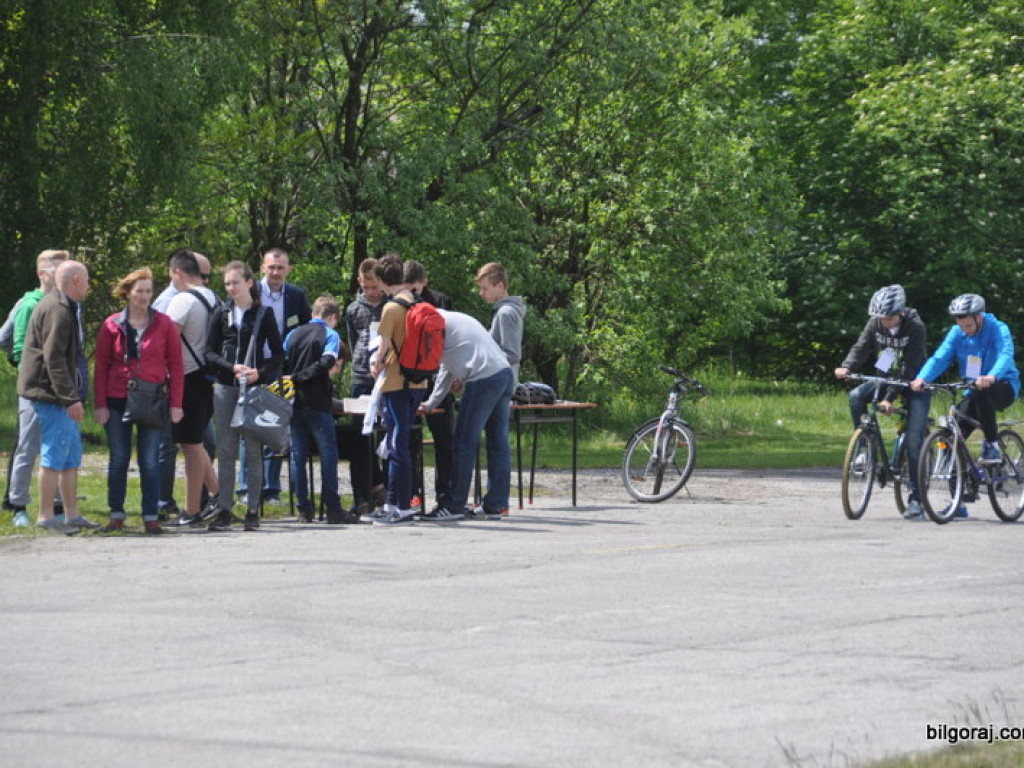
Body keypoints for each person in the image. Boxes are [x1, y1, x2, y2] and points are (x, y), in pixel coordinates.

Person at [911, 293, 1021, 519]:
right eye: (960, 325)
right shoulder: (957, 333)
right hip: (974, 388)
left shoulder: (998, 328)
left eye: (968, 324)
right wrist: (922, 379)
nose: (964, 329)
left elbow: (1006, 354)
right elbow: (940, 357)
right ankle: (958, 502)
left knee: (982, 390)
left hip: (1002, 385)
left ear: (979, 317)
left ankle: (991, 444)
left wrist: (991, 376)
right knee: (952, 437)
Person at [93, 268, 185, 534]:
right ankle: (116, 513)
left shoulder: (164, 323)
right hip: (117, 397)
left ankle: (150, 515)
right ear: (128, 293)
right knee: (119, 458)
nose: (144, 296)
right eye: (139, 291)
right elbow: (101, 367)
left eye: (148, 291)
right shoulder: (112, 325)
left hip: (153, 399)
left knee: (149, 459)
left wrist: (176, 404)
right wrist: (100, 405)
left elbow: (176, 366)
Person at [835, 285, 931, 519]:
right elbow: (862, 346)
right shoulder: (876, 323)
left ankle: (916, 500)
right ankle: (865, 447)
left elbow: (908, 368)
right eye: (881, 318)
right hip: (886, 376)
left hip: (914, 383)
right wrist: (847, 366)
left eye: (889, 318)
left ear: (901, 312)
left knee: (913, 441)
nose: (884, 322)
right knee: (856, 396)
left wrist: (888, 399)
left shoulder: (915, 327)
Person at [16, 260, 96, 533]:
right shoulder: (58, 310)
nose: (88, 285)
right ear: (75, 280)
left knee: (70, 455)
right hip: (50, 396)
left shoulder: (62, 305)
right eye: (86, 280)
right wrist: (70, 398)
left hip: (58, 395)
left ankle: (72, 514)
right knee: (54, 454)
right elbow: (54, 359)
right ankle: (46, 515)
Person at [206, 260, 284, 532]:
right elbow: (209, 353)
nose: (231, 288)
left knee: (252, 451)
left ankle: (253, 510)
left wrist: (258, 375)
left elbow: (277, 356)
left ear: (249, 283)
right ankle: (225, 509)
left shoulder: (263, 314)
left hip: (253, 390)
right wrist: (231, 367)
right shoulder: (221, 313)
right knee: (226, 450)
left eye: (235, 283)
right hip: (226, 388)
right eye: (227, 284)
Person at [421, 310, 515, 522]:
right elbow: (450, 362)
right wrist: (433, 401)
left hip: (483, 379)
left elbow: (442, 366)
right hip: (504, 373)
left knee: (463, 442)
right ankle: (496, 504)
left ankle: (454, 504)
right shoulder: (457, 319)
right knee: (498, 443)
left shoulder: (433, 323)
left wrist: (430, 403)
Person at [239, 247, 312, 506]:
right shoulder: (250, 293)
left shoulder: (297, 296)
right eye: (271, 267)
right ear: (262, 268)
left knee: (274, 425)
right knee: (249, 425)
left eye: (281, 268)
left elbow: (306, 331)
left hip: (281, 368)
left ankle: (270, 489)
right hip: (251, 367)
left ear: (289, 270)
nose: (276, 272)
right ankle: (246, 488)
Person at [3, 249, 69, 527]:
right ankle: (18, 505)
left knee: (55, 447)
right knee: (27, 448)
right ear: (43, 274)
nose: (64, 275)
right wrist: (29, 375)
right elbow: (17, 345)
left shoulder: (67, 302)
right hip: (34, 389)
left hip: (60, 389)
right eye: (58, 271)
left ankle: (55, 504)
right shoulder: (30, 304)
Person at [153, 253, 216, 520]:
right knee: (196, 443)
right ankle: (217, 495)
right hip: (208, 378)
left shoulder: (181, 301)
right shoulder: (214, 297)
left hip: (186, 378)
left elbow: (165, 342)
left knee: (190, 445)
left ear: (177, 272)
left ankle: (193, 509)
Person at [369, 253, 428, 526]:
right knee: (399, 443)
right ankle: (393, 502)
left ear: (382, 280)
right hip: (418, 382)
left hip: (396, 383)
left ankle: (402, 507)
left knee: (397, 445)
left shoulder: (391, 308)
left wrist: (377, 365)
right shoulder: (418, 302)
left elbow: (383, 347)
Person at [285, 295, 352, 524]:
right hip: (318, 401)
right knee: (328, 455)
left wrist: (292, 378)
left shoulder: (293, 334)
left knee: (298, 457)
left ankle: (304, 509)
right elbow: (327, 362)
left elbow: (282, 361)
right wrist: (302, 376)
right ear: (332, 317)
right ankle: (332, 508)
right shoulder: (330, 335)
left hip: (293, 402)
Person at [403, 259, 455, 513]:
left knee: (444, 439)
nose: (413, 292)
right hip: (412, 378)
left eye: (417, 287)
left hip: (438, 377)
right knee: (411, 438)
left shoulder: (440, 301)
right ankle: (413, 494)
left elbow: (449, 340)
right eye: (408, 287)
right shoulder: (400, 304)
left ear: (424, 283)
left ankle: (445, 495)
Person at [344, 257, 387, 515]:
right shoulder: (353, 309)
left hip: (384, 376)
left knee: (385, 435)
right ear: (360, 282)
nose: (371, 292)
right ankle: (364, 494)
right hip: (361, 376)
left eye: (375, 287)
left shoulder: (391, 306)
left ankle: (388, 490)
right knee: (359, 437)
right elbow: (352, 340)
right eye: (366, 287)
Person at [476, 261, 526, 385]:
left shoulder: (505, 313)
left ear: (500, 287)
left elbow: (513, 355)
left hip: (500, 386)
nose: (481, 293)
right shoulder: (503, 311)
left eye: (485, 288)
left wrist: (480, 363)